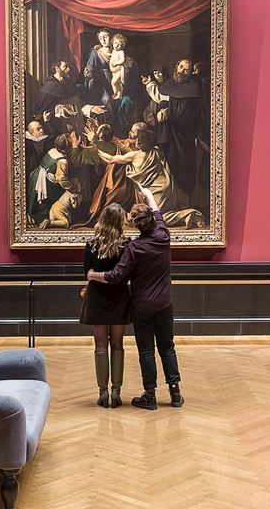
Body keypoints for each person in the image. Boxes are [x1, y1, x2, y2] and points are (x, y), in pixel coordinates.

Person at [87, 186, 184, 411]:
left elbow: (115, 276)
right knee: (168, 347)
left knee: (147, 350)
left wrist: (93, 274)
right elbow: (156, 209)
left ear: (135, 225)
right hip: (164, 302)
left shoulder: (134, 248)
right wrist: (147, 194)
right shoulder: (163, 235)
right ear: (152, 220)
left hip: (141, 305)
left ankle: (150, 395)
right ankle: (175, 393)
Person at [98, 129, 204, 228]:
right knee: (153, 216)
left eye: (140, 142)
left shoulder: (135, 155)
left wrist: (95, 149)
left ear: (145, 143)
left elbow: (111, 159)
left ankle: (189, 215)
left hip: (156, 193)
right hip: (167, 189)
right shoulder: (157, 152)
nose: (137, 144)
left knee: (154, 219)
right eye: (137, 141)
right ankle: (188, 214)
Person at [81, 203, 131, 408]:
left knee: (100, 345)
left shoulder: (92, 244)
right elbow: (126, 274)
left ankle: (102, 392)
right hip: (119, 297)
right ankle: (116, 392)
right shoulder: (126, 244)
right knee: (118, 344)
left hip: (97, 298)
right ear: (121, 221)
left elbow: (87, 272)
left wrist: (94, 275)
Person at [143, 59, 201, 195]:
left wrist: (169, 116)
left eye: (186, 69)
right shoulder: (170, 84)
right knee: (167, 166)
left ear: (191, 72)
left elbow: (189, 117)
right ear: (176, 66)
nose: (181, 71)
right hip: (168, 134)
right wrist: (163, 109)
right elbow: (164, 99)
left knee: (182, 170)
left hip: (183, 137)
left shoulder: (193, 89)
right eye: (180, 66)